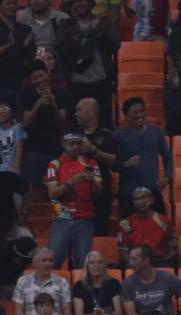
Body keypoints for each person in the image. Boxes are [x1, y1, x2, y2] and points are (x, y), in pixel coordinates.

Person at [57, 0, 118, 129]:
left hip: (101, 81)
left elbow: (115, 45)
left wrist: (98, 32)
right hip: (76, 82)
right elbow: (62, 51)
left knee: (104, 124)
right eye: (75, 1)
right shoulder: (65, 25)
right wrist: (87, 32)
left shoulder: (103, 22)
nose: (79, 4)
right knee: (76, 125)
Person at [46, 132, 102, 269]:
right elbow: (52, 194)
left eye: (78, 143)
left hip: (85, 218)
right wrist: (70, 182)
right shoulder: (55, 164)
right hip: (61, 216)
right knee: (52, 262)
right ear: (64, 144)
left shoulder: (91, 163)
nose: (75, 146)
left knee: (83, 265)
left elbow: (99, 192)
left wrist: (92, 181)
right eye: (71, 143)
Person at [114, 97, 172, 217]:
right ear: (126, 116)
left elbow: (167, 157)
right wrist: (126, 164)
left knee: (160, 228)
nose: (140, 115)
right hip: (128, 194)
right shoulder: (118, 137)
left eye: (142, 111)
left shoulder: (156, 132)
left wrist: (167, 177)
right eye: (135, 112)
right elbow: (113, 165)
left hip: (152, 191)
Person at [18, 60, 67, 191]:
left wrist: (54, 106)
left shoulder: (61, 92)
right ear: (30, 80)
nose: (40, 80)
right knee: (29, 188)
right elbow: (26, 122)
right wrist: (38, 104)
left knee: (61, 187)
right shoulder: (25, 95)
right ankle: (26, 211)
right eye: (35, 78)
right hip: (33, 149)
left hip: (56, 149)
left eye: (41, 75)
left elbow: (64, 123)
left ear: (48, 73)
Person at [120, 246, 181, 315]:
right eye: (130, 259)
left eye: (134, 259)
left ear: (146, 260)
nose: (130, 263)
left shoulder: (167, 278)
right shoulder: (127, 283)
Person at [74, 97, 117, 237]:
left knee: (99, 233)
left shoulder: (107, 135)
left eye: (79, 110)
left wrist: (93, 150)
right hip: (78, 192)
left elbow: (114, 161)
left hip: (102, 192)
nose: (75, 114)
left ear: (91, 112)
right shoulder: (73, 136)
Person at [116, 186, 176, 267]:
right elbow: (123, 253)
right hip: (135, 268)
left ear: (151, 200)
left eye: (143, 198)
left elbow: (174, 249)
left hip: (160, 266)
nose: (139, 202)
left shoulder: (164, 222)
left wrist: (162, 263)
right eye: (136, 199)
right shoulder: (125, 224)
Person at [13, 246, 71, 315]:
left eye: (50, 260)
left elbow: (67, 313)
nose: (48, 264)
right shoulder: (23, 281)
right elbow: (18, 313)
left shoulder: (62, 282)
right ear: (34, 263)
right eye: (44, 260)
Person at [72, 250, 122, 315]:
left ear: (104, 266)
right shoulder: (79, 286)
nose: (96, 265)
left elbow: (119, 312)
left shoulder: (113, 283)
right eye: (92, 263)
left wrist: (104, 314)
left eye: (100, 262)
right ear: (87, 266)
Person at [17, 0, 67, 68]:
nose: (35, 1)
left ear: (50, 2)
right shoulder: (20, 19)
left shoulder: (62, 18)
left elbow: (68, 48)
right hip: (29, 66)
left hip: (57, 65)